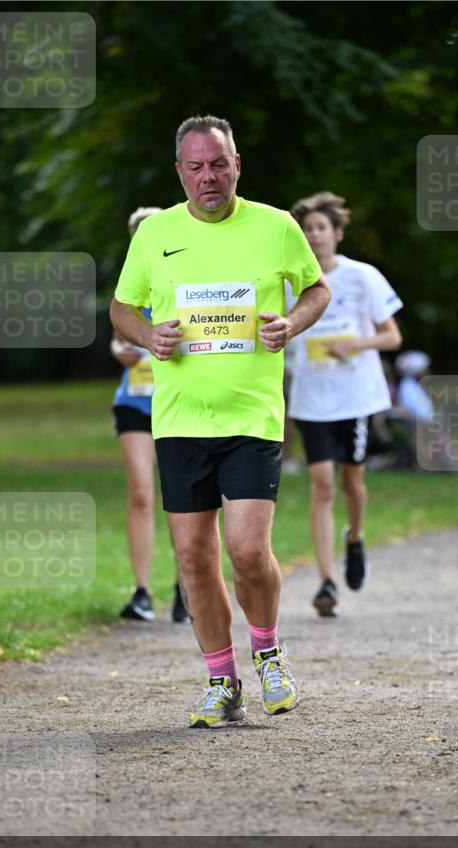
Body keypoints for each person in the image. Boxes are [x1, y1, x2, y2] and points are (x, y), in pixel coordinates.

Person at [110, 115, 330, 728]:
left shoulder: (276, 226)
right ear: (180, 171)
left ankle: (268, 651)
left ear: (238, 164)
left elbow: (316, 290)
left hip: (252, 414)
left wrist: (294, 323)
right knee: (191, 557)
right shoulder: (154, 234)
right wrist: (148, 333)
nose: (209, 176)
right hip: (179, 418)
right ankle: (220, 679)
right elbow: (121, 307)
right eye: (197, 166)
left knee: (247, 550)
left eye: (220, 163)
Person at [287, 191, 403, 617]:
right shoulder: (288, 282)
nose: (314, 236)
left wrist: (355, 344)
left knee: (353, 483)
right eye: (307, 229)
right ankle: (326, 581)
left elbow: (392, 337)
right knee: (322, 486)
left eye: (321, 228)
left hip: (355, 399)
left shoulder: (363, 277)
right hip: (311, 401)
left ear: (336, 232)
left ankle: (354, 537)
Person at [111, 207, 188, 624]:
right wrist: (122, 351)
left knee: (183, 498)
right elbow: (117, 338)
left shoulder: (184, 277)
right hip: (136, 401)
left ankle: (185, 589)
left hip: (179, 401)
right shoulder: (131, 285)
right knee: (141, 493)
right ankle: (141, 592)